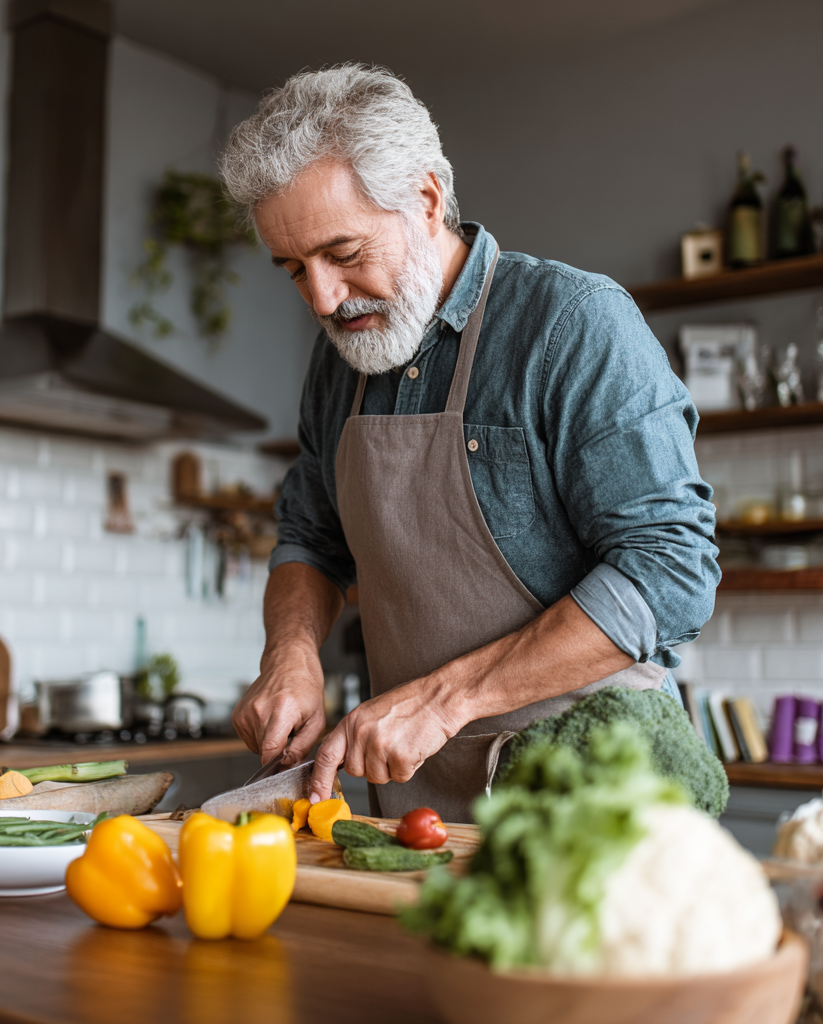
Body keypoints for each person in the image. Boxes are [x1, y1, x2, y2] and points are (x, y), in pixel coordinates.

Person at [221, 65, 718, 822]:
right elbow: (310, 539)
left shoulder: (572, 324)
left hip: (594, 798)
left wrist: (447, 700)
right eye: (293, 269)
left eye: (345, 253)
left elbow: (671, 568)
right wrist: (290, 654)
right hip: (416, 802)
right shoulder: (340, 361)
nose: (321, 298)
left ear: (425, 201)